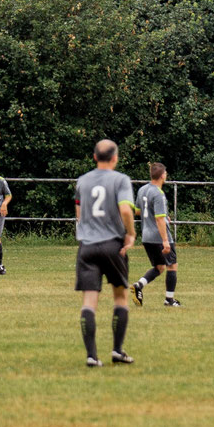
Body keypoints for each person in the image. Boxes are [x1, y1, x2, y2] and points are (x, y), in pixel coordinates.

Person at [71, 138, 137, 367]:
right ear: (115, 158)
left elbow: (78, 210)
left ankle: (91, 355)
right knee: (120, 296)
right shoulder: (120, 180)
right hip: (113, 245)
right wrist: (130, 233)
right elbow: (125, 209)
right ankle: (117, 351)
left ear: (95, 157)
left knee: (89, 301)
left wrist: (86, 230)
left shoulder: (82, 180)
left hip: (87, 247)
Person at [130, 162, 180, 308]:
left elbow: (138, 211)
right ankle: (169, 300)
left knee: (159, 267)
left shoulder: (142, 190)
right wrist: (165, 241)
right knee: (172, 266)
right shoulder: (158, 193)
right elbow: (159, 218)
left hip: (146, 236)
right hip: (159, 236)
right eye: (165, 173)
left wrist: (163, 216)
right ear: (162, 175)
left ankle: (138, 285)